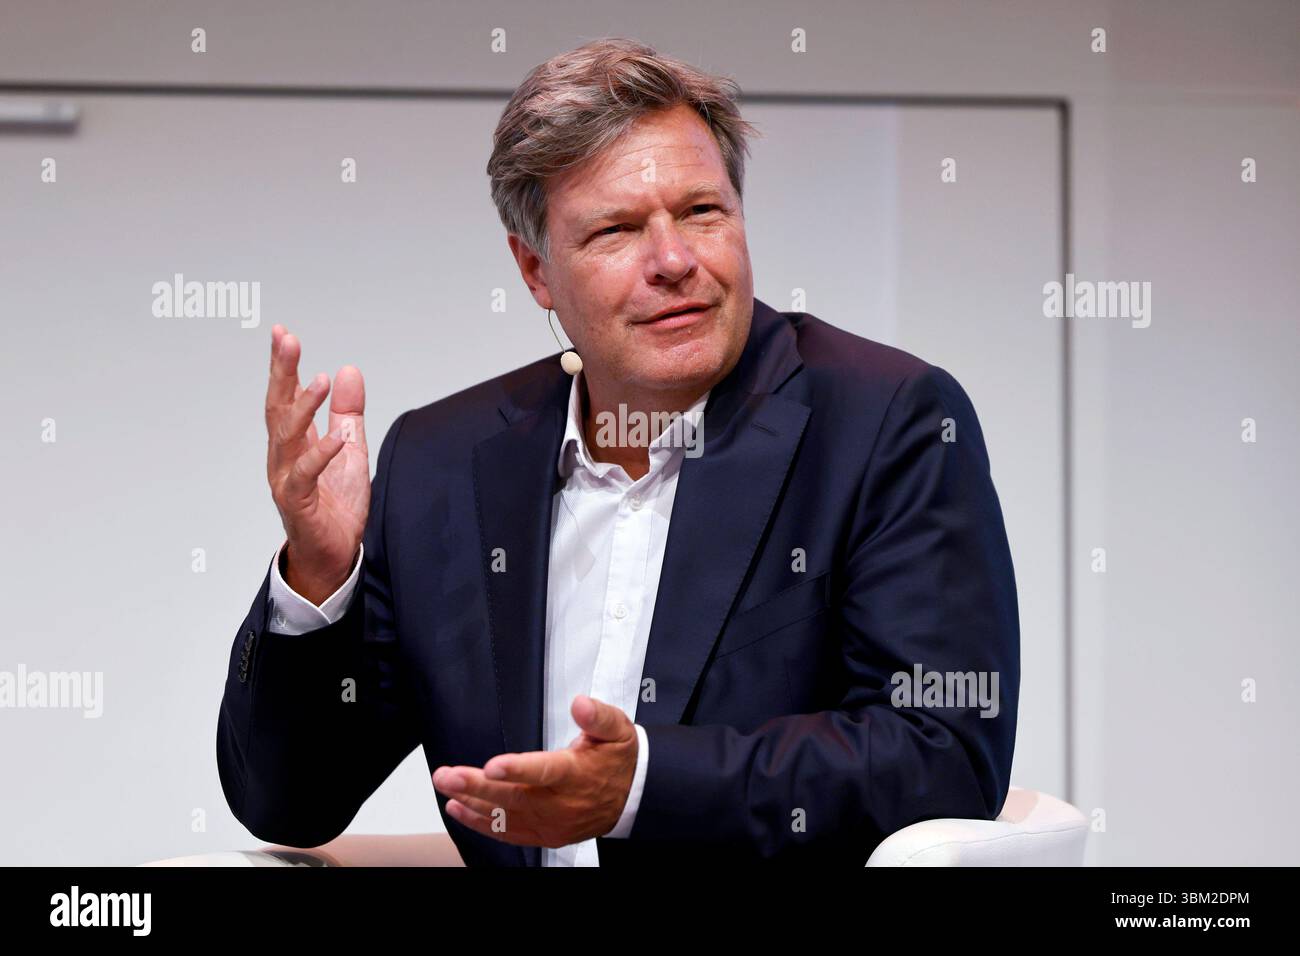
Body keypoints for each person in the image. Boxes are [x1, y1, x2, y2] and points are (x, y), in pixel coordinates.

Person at [217, 37, 1020, 866]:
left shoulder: (885, 422)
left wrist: (641, 787)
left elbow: (944, 757)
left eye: (703, 212)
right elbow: (288, 800)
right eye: (617, 229)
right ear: (535, 270)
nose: (674, 260)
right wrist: (318, 579)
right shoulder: (442, 461)